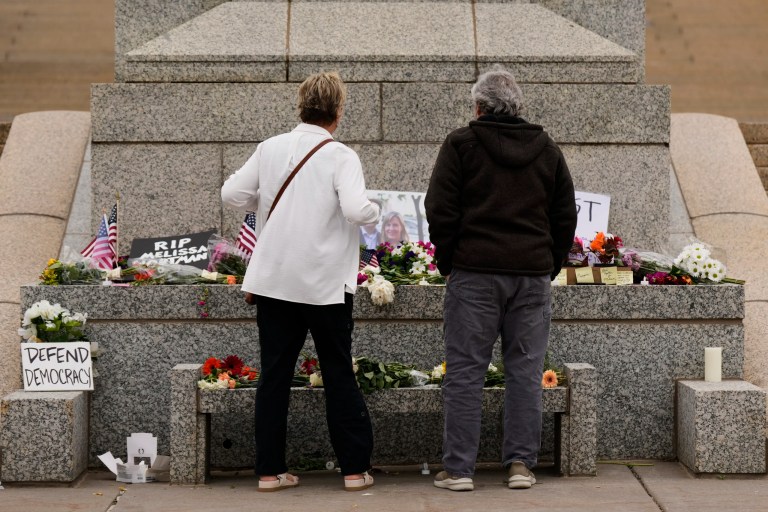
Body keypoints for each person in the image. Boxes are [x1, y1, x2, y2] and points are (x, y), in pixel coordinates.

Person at [221, 71, 380, 492]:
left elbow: (231, 195)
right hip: (326, 287)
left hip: (276, 283)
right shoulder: (341, 156)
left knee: (274, 377)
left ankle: (270, 472)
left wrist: (267, 199)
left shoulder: (270, 148)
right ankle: (353, 471)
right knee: (338, 374)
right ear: (338, 111)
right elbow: (355, 209)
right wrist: (374, 209)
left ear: (301, 104)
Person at [424, 65, 577, 492]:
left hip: (474, 274)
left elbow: (439, 207)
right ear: (517, 107)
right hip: (529, 277)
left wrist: (449, 260)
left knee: (466, 372)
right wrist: (547, 263)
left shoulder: (461, 144)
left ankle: (458, 470)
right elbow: (565, 214)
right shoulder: (546, 149)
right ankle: (521, 467)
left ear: (478, 106)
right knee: (525, 373)